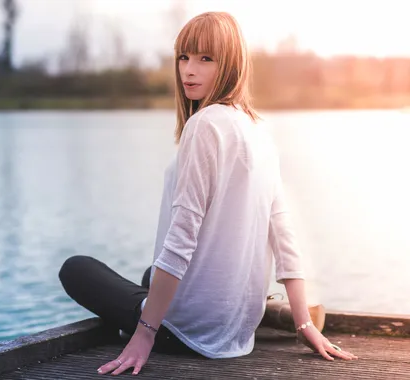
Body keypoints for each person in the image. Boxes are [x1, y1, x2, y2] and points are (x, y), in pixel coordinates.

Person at [58, 11, 358, 376]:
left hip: (191, 331)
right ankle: (268, 313)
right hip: (236, 330)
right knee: (149, 275)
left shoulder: (204, 126)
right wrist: (304, 323)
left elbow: (182, 235)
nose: (189, 69)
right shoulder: (258, 129)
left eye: (205, 59)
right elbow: (283, 232)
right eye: (184, 57)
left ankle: (152, 320)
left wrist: (144, 335)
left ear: (230, 64)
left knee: (76, 269)